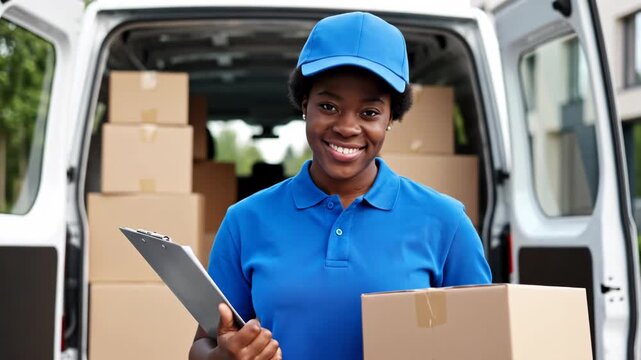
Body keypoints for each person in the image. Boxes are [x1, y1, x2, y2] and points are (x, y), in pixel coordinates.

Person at [189, 11, 491, 360]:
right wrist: (221, 357)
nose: (347, 127)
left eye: (369, 113)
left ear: (392, 117)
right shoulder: (245, 220)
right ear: (305, 106)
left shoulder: (446, 223)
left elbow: (483, 342)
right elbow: (202, 344)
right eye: (329, 106)